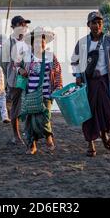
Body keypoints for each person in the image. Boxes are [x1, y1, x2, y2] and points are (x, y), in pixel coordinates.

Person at [71, 12, 110, 157]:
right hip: (88, 84)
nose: (96, 26)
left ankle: (104, 134)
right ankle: (90, 143)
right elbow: (74, 61)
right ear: (88, 25)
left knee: (108, 113)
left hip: (105, 82)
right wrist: (77, 75)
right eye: (93, 23)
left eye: (99, 23)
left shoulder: (109, 41)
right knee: (88, 114)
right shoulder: (82, 42)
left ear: (102, 25)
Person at [20, 27, 63, 155]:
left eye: (42, 41)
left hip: (46, 93)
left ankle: (48, 136)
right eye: (36, 41)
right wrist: (20, 71)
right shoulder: (27, 56)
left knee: (44, 117)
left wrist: (58, 87)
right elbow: (16, 66)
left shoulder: (51, 56)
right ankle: (31, 145)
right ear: (32, 44)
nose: (39, 43)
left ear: (45, 42)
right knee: (29, 120)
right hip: (29, 93)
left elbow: (58, 72)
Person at [1, 16, 31, 145]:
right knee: (16, 106)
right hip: (15, 79)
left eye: (25, 25)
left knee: (29, 105)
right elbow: (4, 63)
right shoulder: (8, 43)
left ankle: (30, 132)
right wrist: (11, 75)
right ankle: (16, 135)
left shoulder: (28, 41)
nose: (23, 27)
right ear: (13, 27)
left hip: (29, 77)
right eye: (20, 25)